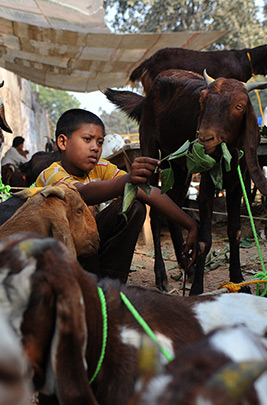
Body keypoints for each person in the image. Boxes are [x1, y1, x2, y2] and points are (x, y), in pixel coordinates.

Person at [35, 109, 198, 283]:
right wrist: (128, 178)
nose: (95, 148)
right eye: (87, 139)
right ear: (62, 142)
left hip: (90, 245)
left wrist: (190, 225)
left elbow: (148, 191)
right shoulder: (51, 174)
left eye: (100, 142)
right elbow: (82, 193)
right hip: (56, 253)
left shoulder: (102, 167)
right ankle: (90, 281)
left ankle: (113, 282)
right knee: (85, 208)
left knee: (133, 204)